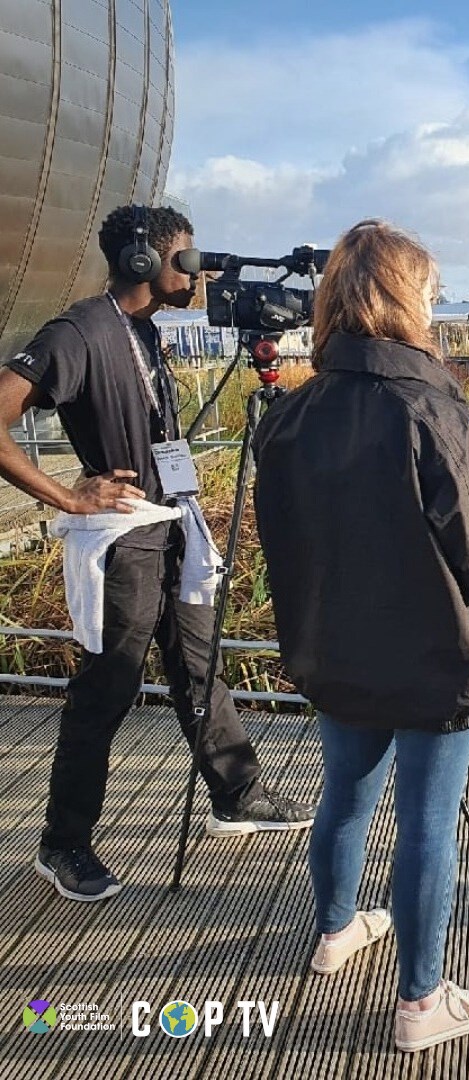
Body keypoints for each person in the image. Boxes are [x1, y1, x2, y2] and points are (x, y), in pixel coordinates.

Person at [252, 219, 469, 1053]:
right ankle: (421, 1002)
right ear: (410, 300)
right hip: (437, 653)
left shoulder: (291, 414)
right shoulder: (433, 408)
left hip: (336, 647)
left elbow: (284, 543)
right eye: (432, 294)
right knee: (426, 824)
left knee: (344, 795)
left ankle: (336, 931)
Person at [0, 204, 314, 903]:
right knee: (104, 691)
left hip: (172, 525)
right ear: (144, 259)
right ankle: (63, 843)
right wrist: (68, 496)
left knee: (199, 665)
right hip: (124, 539)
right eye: (188, 257)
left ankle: (237, 794)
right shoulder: (79, 331)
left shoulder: (142, 332)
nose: (198, 272)